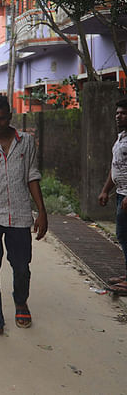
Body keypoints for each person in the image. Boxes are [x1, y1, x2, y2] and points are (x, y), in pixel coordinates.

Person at [0, 94, 47, 341]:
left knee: (22, 266)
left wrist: (42, 212)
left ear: (10, 116)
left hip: (21, 215)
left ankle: (21, 302)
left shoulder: (26, 141)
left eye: (2, 118)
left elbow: (32, 177)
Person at [97, 99, 127, 294]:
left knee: (125, 236)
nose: (119, 116)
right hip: (120, 193)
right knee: (123, 236)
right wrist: (106, 190)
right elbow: (115, 167)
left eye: (123, 113)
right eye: (117, 113)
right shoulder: (121, 138)